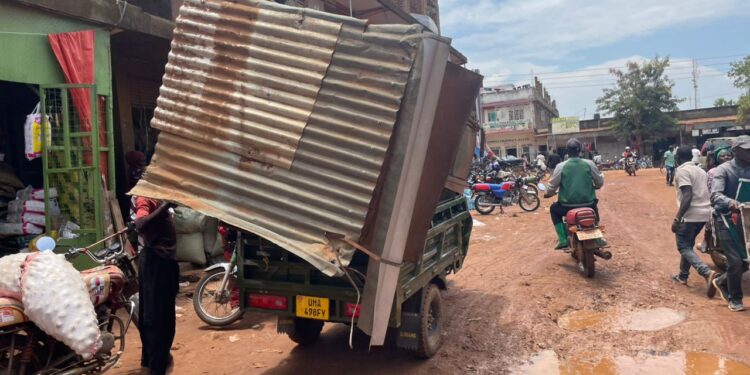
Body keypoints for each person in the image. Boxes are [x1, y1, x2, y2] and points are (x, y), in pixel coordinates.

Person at [135, 196, 179, 374]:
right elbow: (140, 224)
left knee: (158, 315)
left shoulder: (157, 198)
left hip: (163, 263)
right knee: (157, 318)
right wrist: (165, 207)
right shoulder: (145, 198)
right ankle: (156, 367)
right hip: (156, 263)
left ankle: (151, 360)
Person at [709, 135, 750, 312]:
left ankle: (720, 281)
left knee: (745, 262)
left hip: (747, 220)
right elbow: (715, 195)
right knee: (735, 261)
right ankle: (735, 298)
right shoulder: (723, 170)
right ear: (735, 151)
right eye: (746, 149)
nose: (749, 152)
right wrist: (731, 203)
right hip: (726, 219)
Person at [545, 138, 605, 249]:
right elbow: (600, 181)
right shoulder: (589, 164)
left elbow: (552, 186)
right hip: (588, 204)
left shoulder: (561, 166)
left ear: (567, 151)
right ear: (580, 150)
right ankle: (598, 236)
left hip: (566, 207)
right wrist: (597, 186)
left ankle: (563, 239)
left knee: (554, 209)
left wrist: (548, 193)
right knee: (594, 207)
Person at [670, 146, 716, 287]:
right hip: (704, 214)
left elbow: (687, 195)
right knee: (688, 244)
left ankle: (706, 272)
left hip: (690, 215)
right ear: (691, 156)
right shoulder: (701, 171)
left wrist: (677, 218)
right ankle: (683, 276)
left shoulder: (682, 171)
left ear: (677, 158)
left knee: (683, 246)